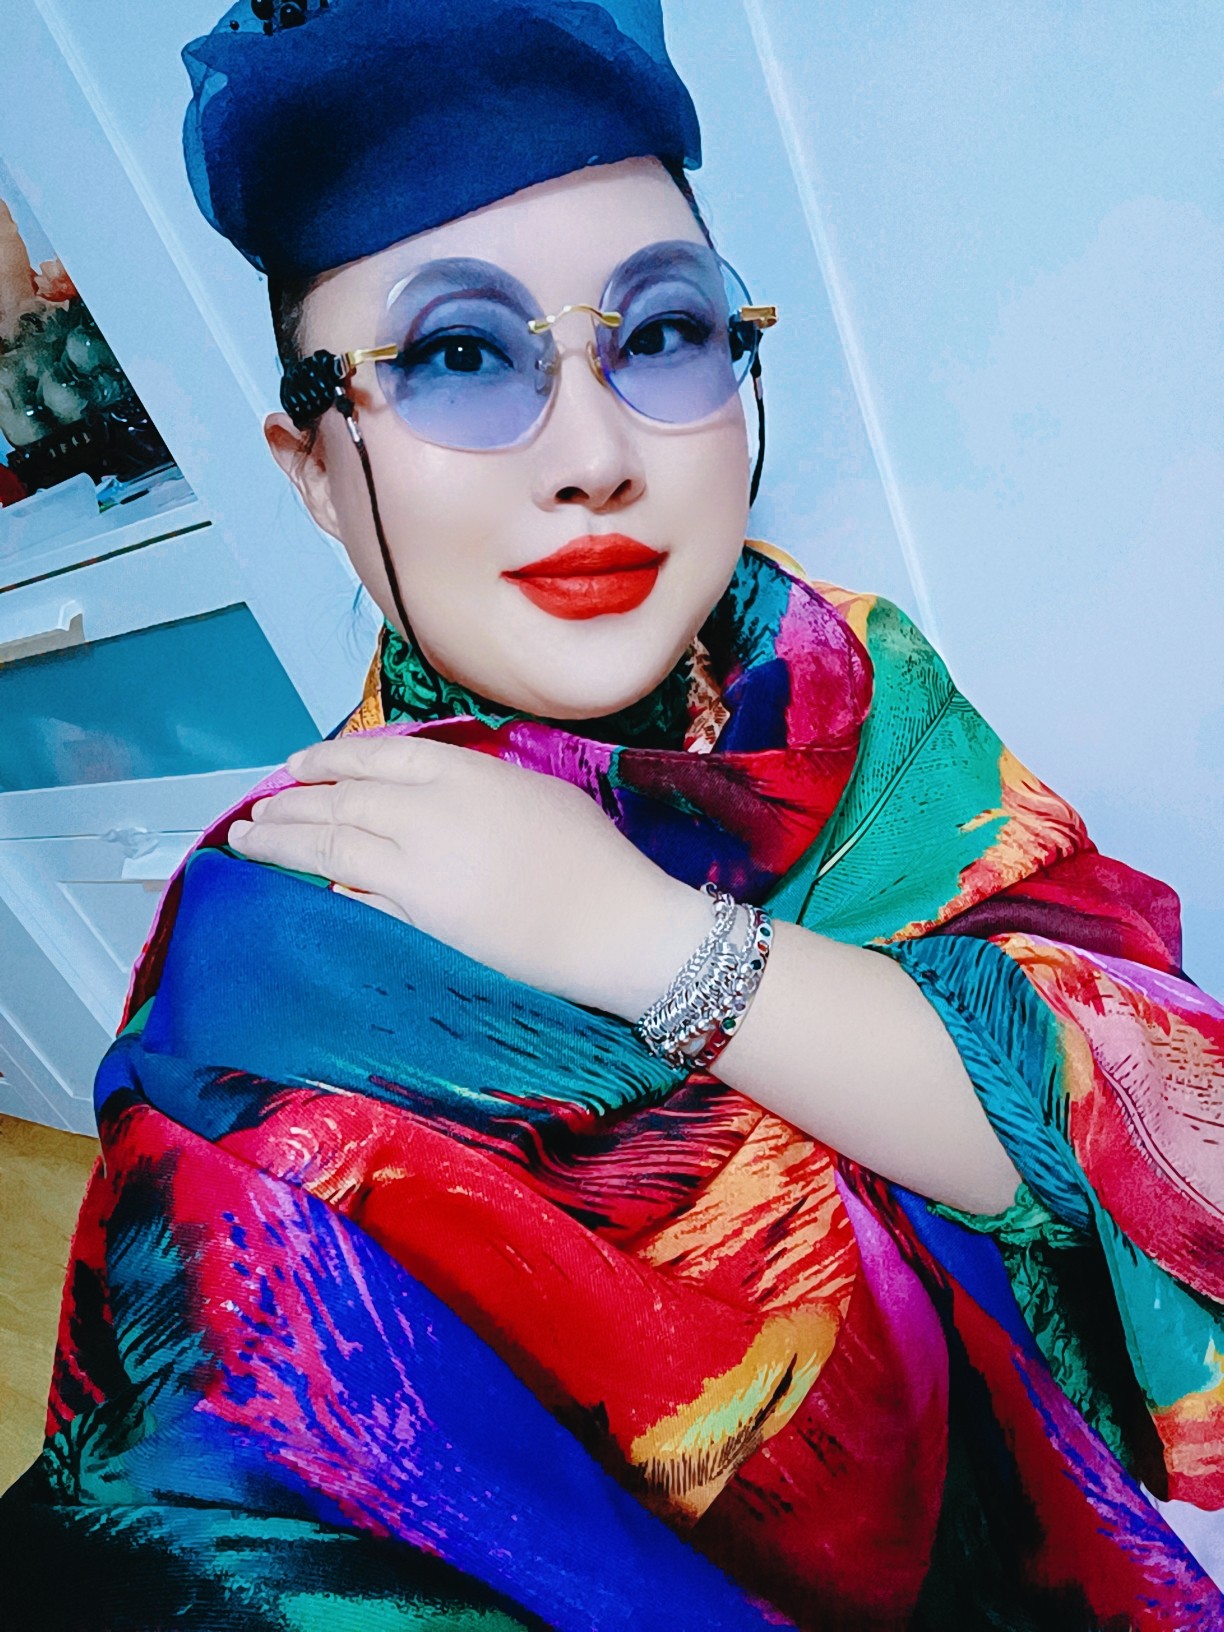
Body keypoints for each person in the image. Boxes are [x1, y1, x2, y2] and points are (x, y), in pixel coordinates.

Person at [2, 2, 1220, 1627]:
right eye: (455, 355)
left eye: (660, 332)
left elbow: (1149, 1126)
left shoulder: (850, 684)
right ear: (314, 470)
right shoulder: (278, 982)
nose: (594, 453)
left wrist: (646, 941)